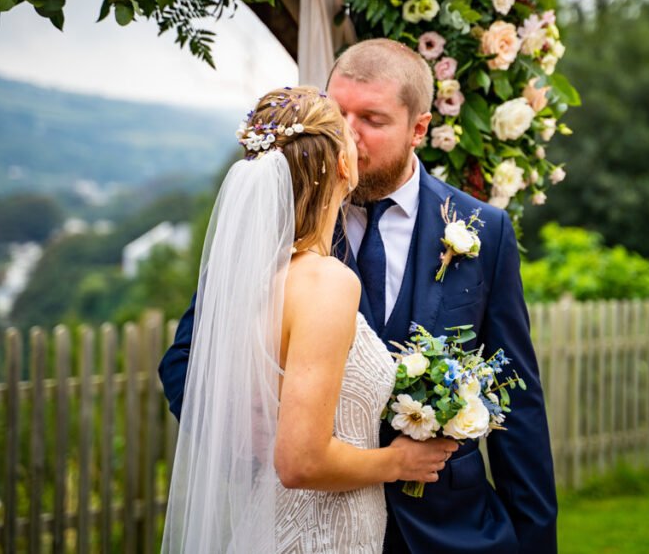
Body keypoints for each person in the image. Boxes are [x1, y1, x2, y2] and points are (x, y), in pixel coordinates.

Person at [161, 39, 558, 553]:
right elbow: (186, 361)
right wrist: (270, 450)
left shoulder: (485, 231)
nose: (347, 133)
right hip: (311, 521)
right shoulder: (270, 235)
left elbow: (516, 400)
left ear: (419, 128)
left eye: (371, 118)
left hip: (450, 529)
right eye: (337, 110)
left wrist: (535, 540)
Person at [161, 85, 456, 553]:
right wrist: (398, 462)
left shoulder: (252, 278)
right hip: (319, 533)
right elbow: (301, 462)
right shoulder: (325, 283)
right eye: (347, 136)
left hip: (275, 519)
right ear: (343, 165)